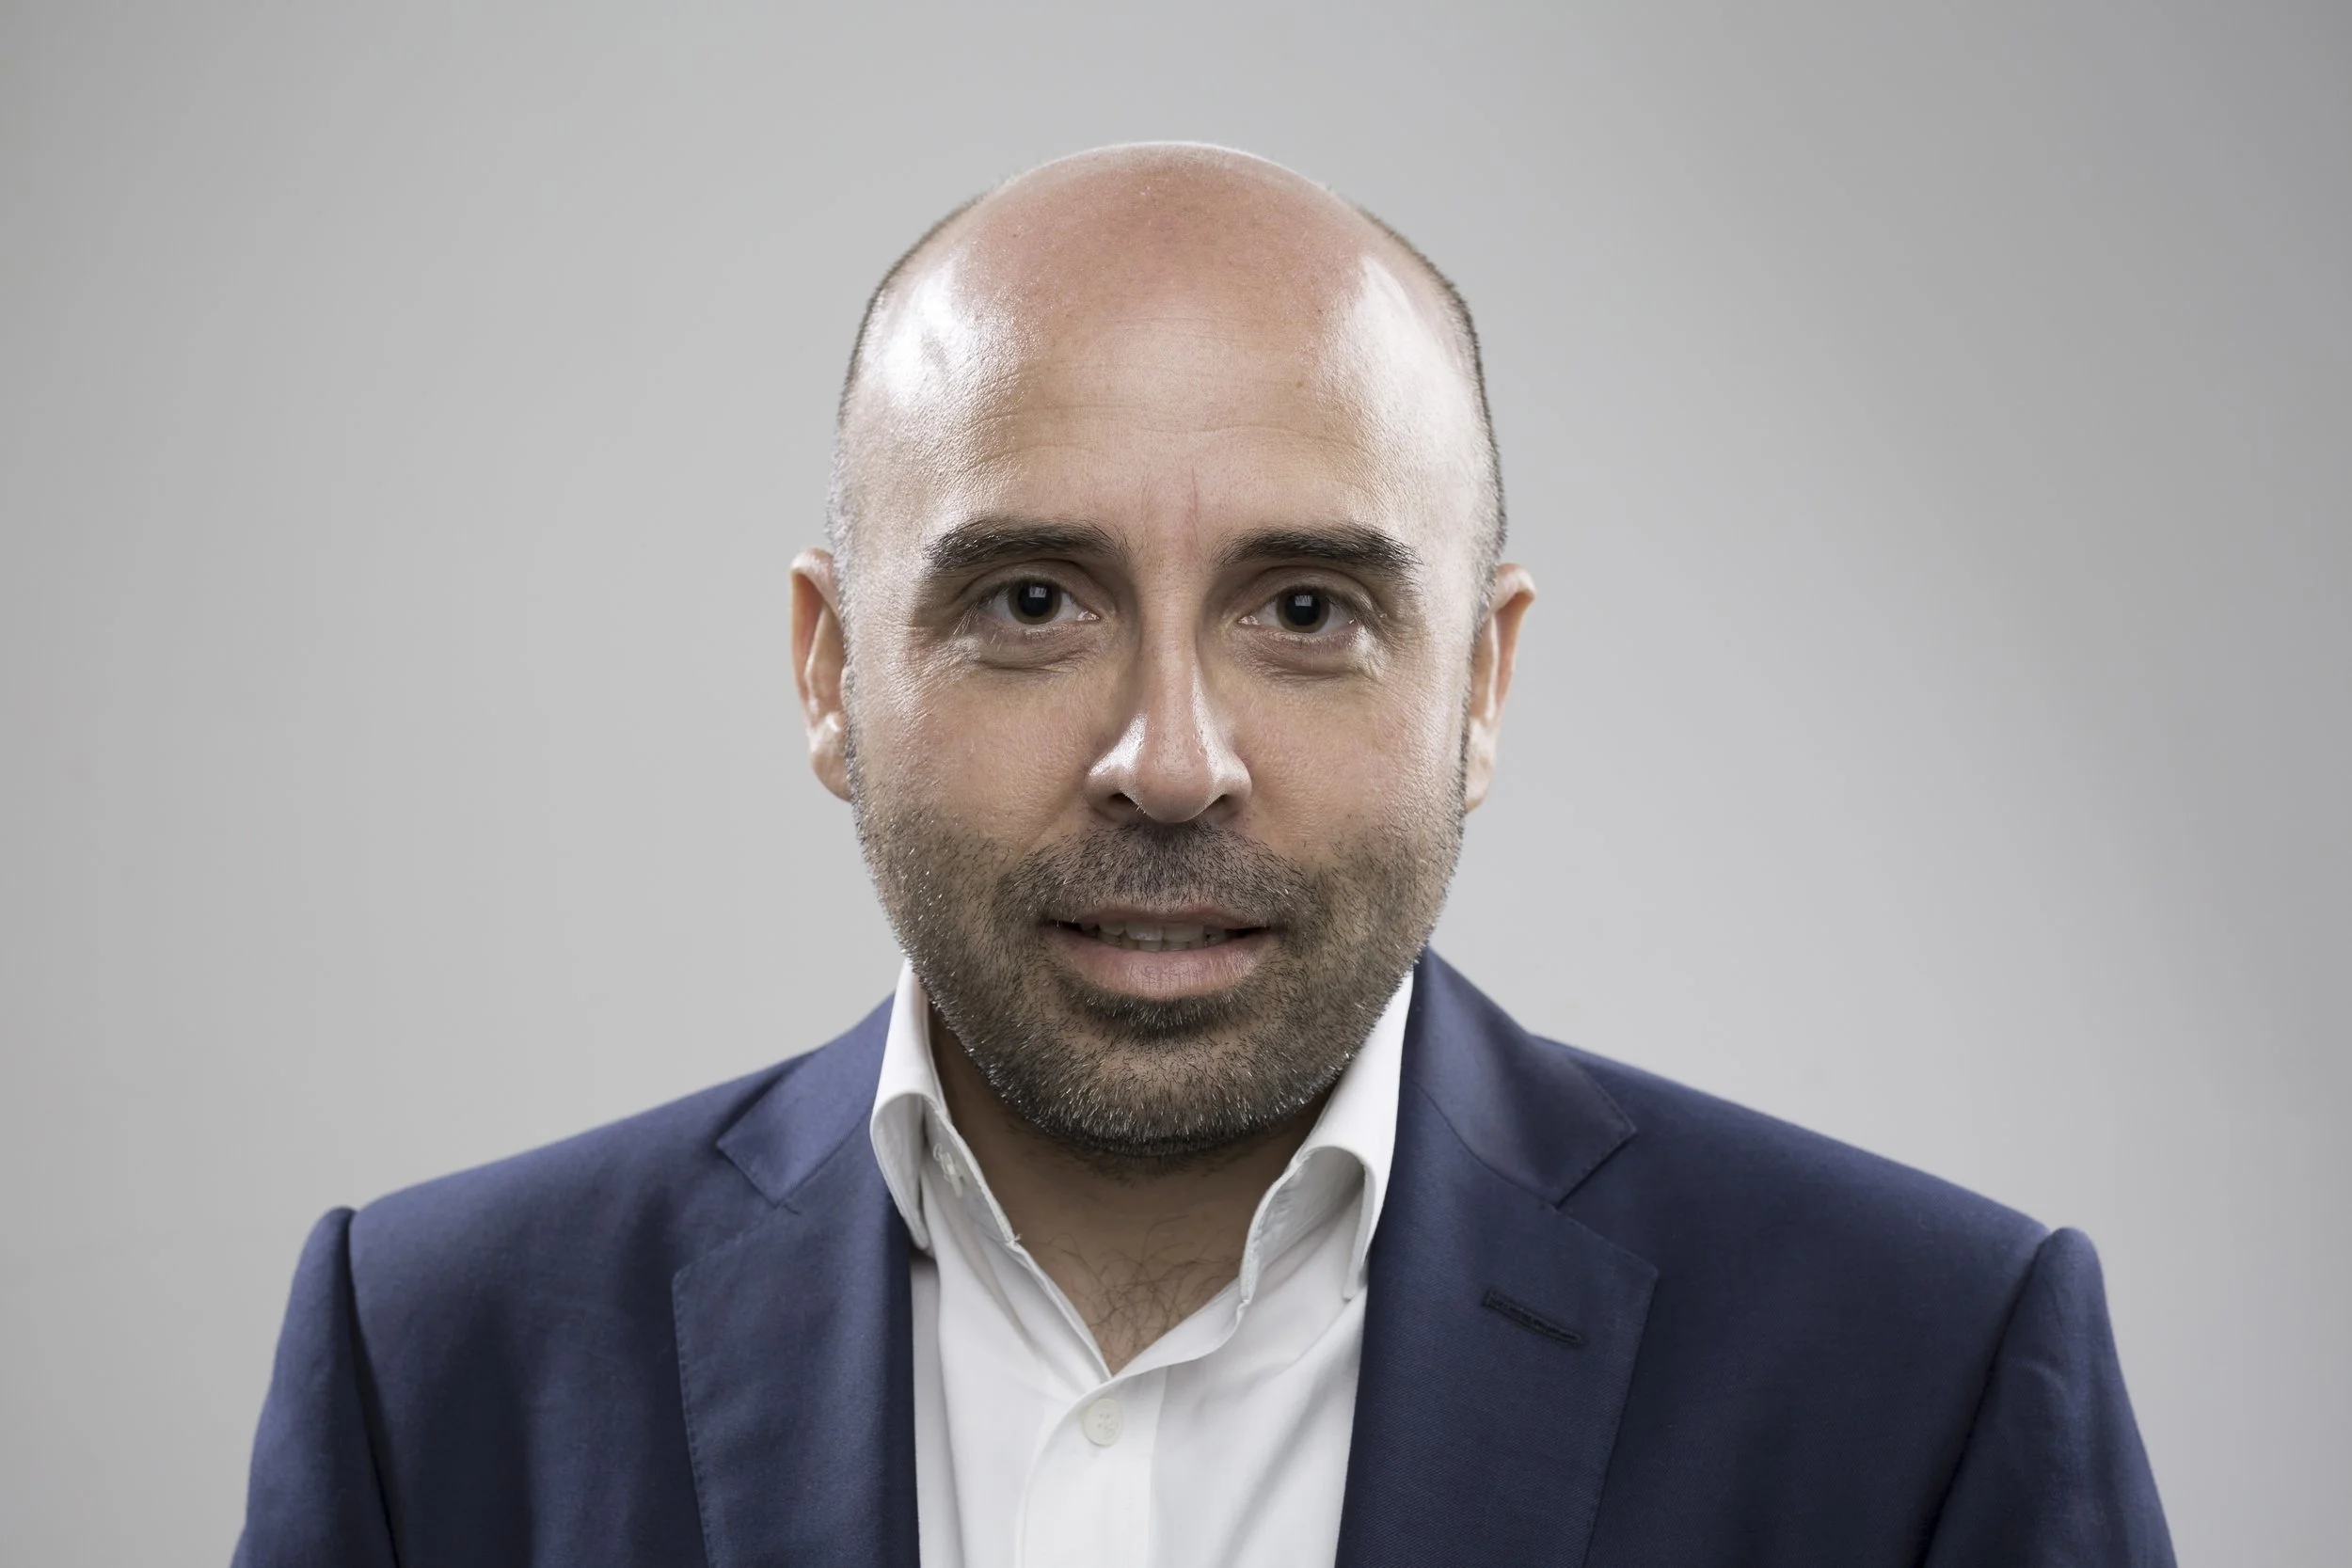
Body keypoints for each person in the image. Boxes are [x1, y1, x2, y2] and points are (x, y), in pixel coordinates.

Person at [232, 143, 2173, 1567]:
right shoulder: (434, 1372)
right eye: (1027, 597)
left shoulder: (1921, 1383)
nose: (1167, 762)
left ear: (1479, 684)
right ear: (829, 670)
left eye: (1307, 607)